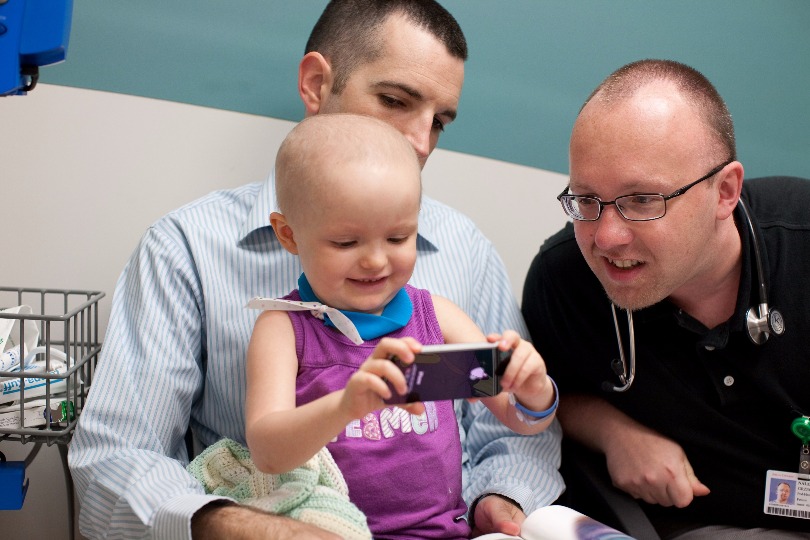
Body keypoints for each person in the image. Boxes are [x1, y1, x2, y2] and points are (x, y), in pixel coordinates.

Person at [69, 2, 564, 539]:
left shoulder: (464, 253)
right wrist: (241, 528)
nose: (421, 143)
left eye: (439, 122)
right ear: (314, 84)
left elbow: (517, 430)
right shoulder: (184, 250)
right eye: (395, 100)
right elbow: (115, 460)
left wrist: (501, 499)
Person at [521, 58, 810, 539]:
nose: (606, 237)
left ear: (725, 192)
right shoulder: (564, 280)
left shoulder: (801, 245)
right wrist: (614, 433)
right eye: (586, 199)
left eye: (642, 200)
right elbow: (550, 393)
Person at [245, 113, 557, 538]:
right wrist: (345, 406)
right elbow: (266, 451)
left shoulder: (436, 320)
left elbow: (517, 418)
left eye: (397, 238)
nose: (376, 260)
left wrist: (534, 389)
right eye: (345, 242)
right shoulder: (284, 330)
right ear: (289, 235)